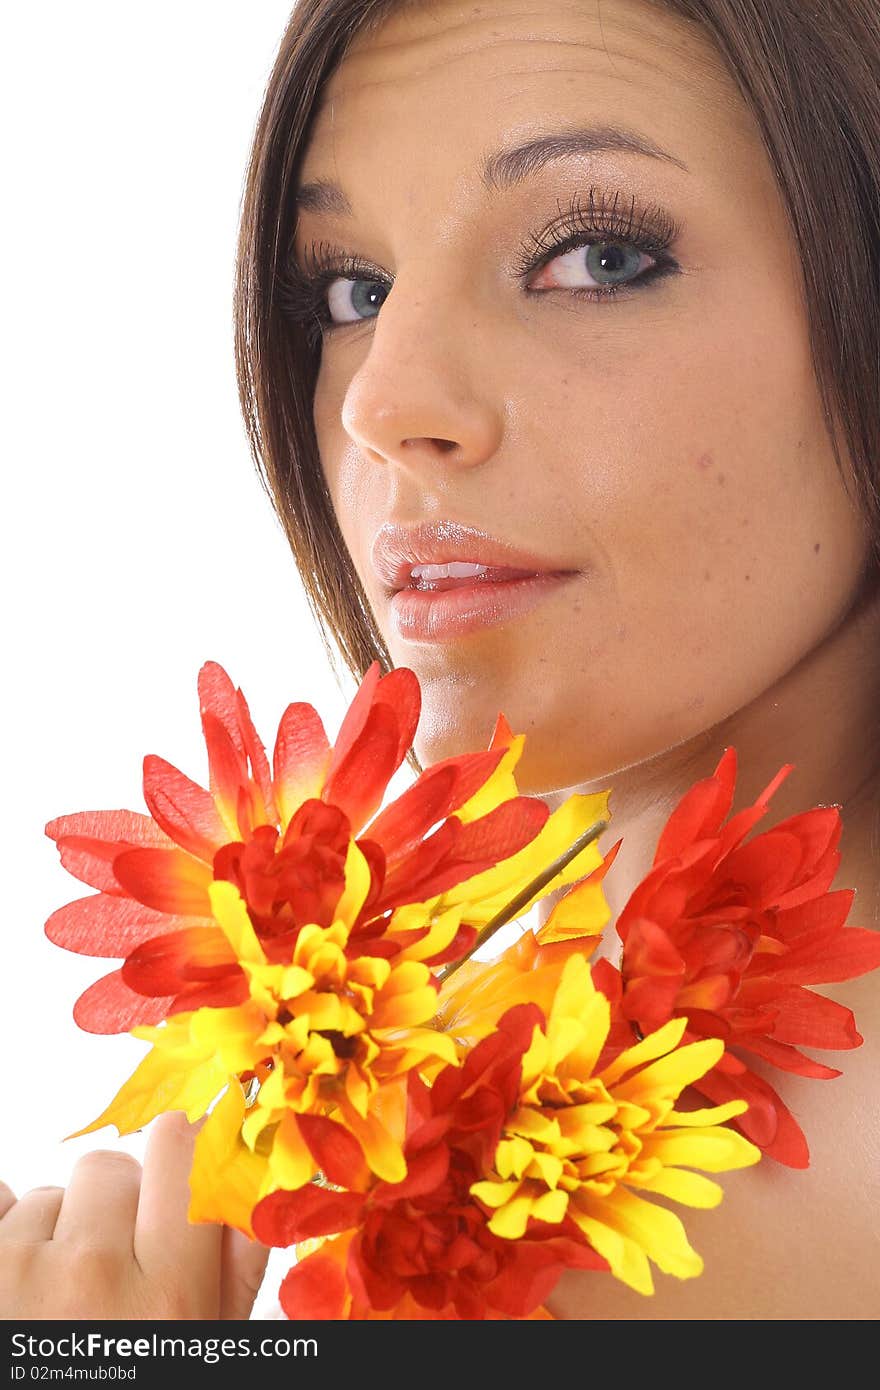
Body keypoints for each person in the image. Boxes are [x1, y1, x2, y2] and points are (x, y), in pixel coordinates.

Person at [3, 0, 879, 1320]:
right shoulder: (498, 1071)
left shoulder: (666, 1254)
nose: (383, 399)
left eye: (596, 257)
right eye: (352, 291)